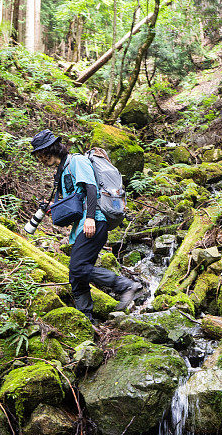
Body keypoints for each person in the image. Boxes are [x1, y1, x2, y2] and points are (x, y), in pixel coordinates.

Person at [30, 129, 142, 320]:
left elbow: (91, 188)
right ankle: (86, 318)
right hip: (82, 226)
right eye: (39, 155)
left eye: (43, 153)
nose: (41, 158)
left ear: (53, 148)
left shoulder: (77, 161)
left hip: (94, 222)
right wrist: (53, 207)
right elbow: (74, 202)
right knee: (76, 276)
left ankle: (126, 285)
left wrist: (90, 218)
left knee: (78, 268)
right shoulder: (63, 170)